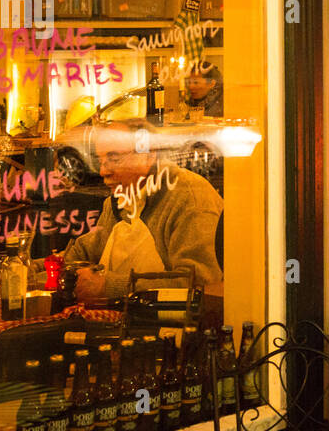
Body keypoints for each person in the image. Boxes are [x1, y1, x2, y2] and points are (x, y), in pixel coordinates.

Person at [65, 118, 224, 302]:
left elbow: (199, 284)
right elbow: (83, 253)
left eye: (114, 158)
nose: (103, 171)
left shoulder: (188, 197)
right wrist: (32, 269)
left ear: (148, 155)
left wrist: (110, 287)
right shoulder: (118, 201)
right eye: (100, 161)